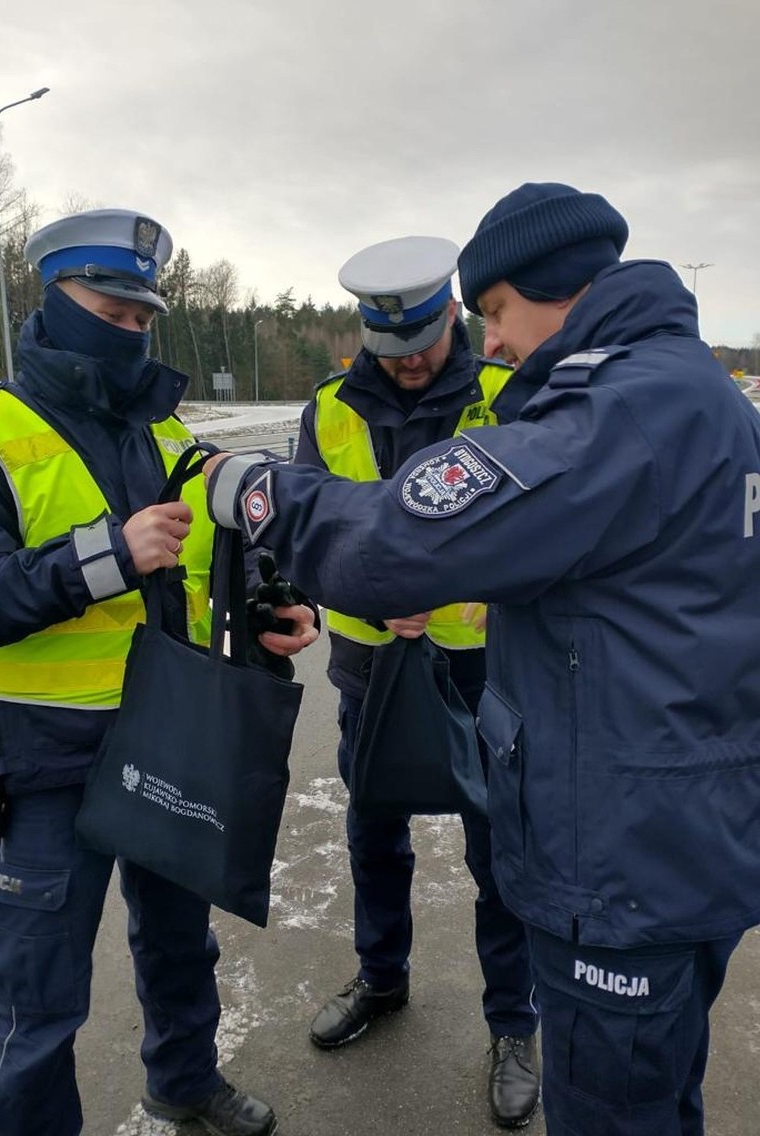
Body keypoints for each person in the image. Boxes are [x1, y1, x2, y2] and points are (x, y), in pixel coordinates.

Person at [203, 183, 760, 1136]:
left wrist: (257, 493)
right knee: (657, 1095)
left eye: (495, 312)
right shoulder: (696, 395)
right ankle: (388, 978)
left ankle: (515, 1030)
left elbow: (400, 539)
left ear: (555, 290)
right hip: (674, 817)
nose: (493, 342)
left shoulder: (614, 413)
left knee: (612, 1104)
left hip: (619, 851)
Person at [0, 208, 318, 1136]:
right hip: (43, 754)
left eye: (144, 320)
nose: (132, 333)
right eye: (112, 311)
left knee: (181, 943)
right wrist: (99, 558)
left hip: (168, 732)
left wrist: (275, 610)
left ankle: (185, 1083)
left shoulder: (163, 435)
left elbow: (222, 560)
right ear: (53, 301)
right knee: (40, 989)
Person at [290, 235, 539, 1128]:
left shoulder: (514, 395)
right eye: (389, 351)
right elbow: (304, 534)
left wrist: (447, 584)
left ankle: (515, 1025)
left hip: (487, 673)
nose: (408, 365)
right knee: (374, 836)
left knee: (501, 854)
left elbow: (546, 531)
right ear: (367, 336)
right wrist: (361, 585)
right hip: (372, 673)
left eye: (423, 346)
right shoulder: (328, 411)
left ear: (452, 320)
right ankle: (382, 978)